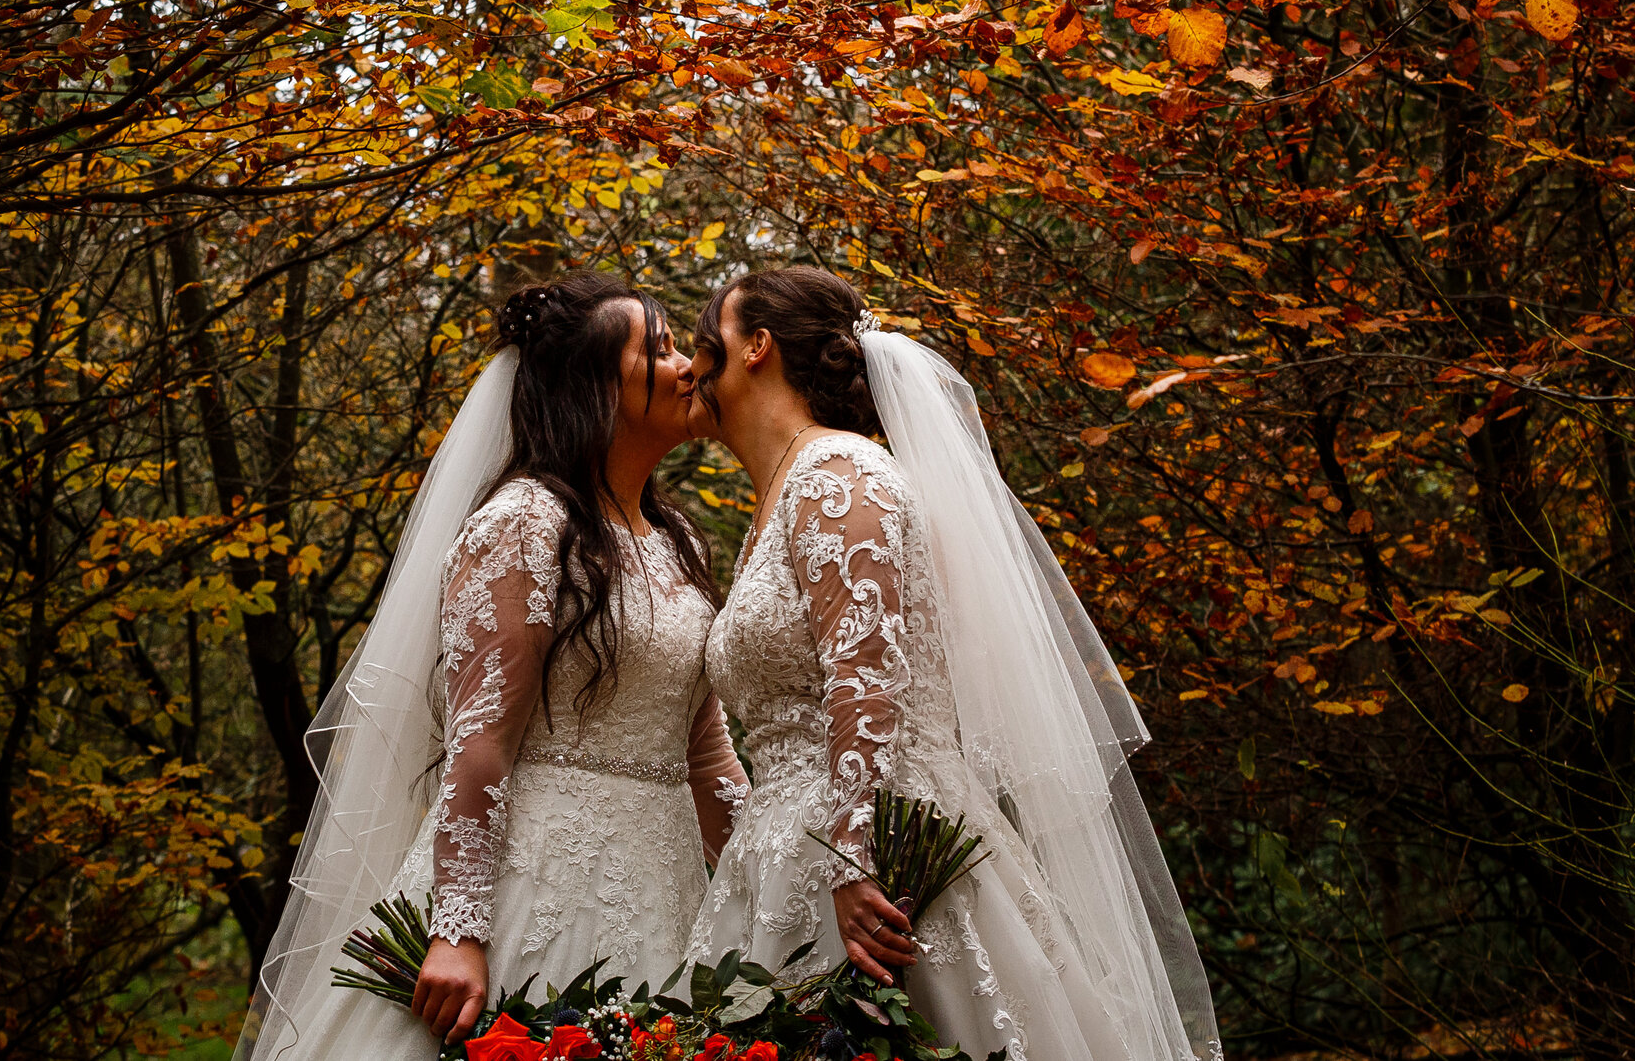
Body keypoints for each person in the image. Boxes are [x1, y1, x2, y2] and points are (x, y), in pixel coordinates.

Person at [686, 266, 1223, 1061]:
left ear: (756, 347)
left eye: (706, 342)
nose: (690, 364)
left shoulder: (843, 477)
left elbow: (865, 684)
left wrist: (853, 858)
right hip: (785, 850)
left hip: (883, 855)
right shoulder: (789, 488)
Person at [238, 273, 749, 1060]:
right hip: (530, 888)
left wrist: (770, 884)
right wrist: (460, 929)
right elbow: (482, 742)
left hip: (665, 891)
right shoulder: (523, 522)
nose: (689, 365)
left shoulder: (679, 538)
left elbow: (706, 751)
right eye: (660, 348)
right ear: (594, 389)